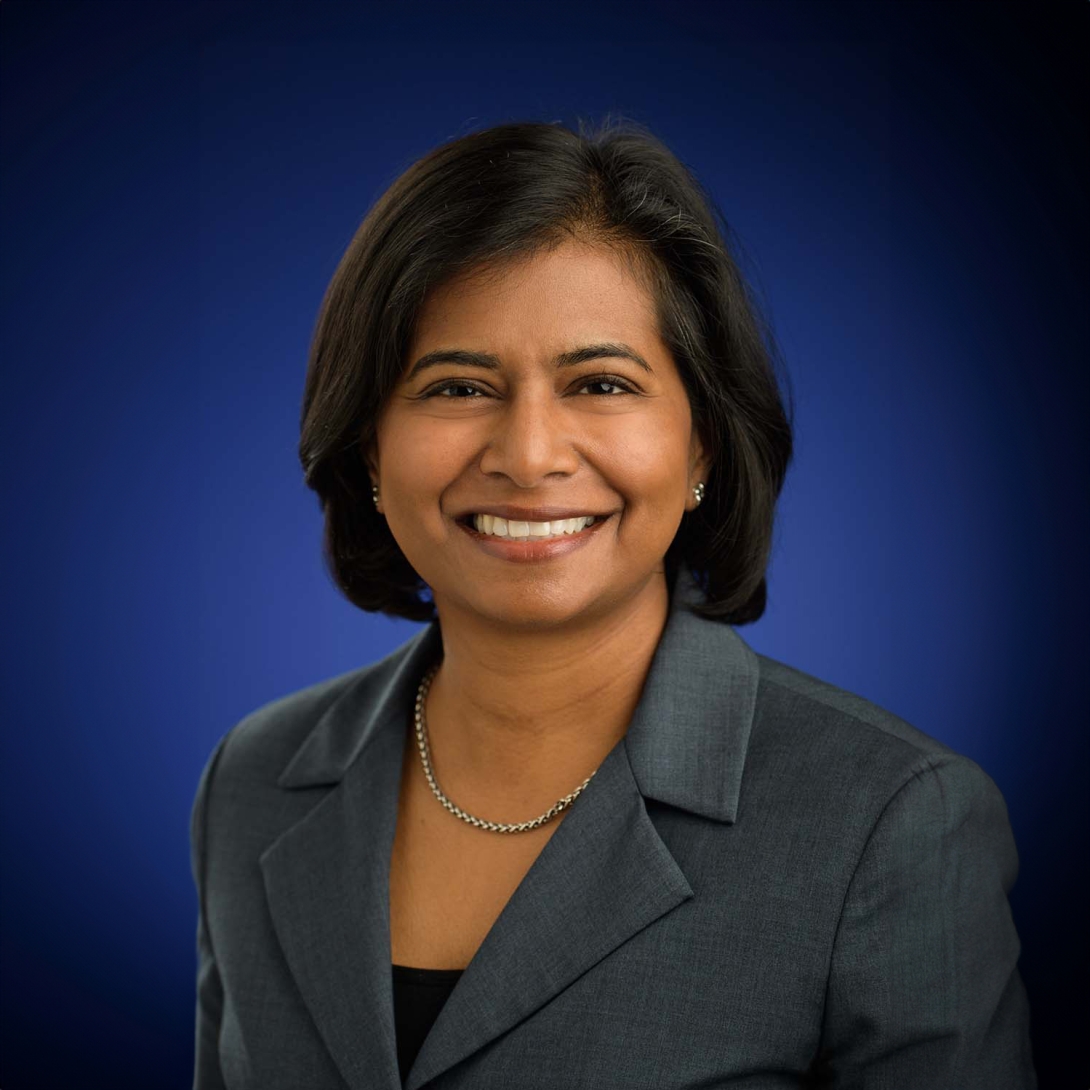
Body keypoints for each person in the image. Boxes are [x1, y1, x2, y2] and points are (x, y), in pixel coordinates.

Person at [189, 117, 1036, 1089]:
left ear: (702, 446)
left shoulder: (889, 824)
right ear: (371, 450)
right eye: (459, 385)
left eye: (599, 382)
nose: (529, 453)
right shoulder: (251, 782)